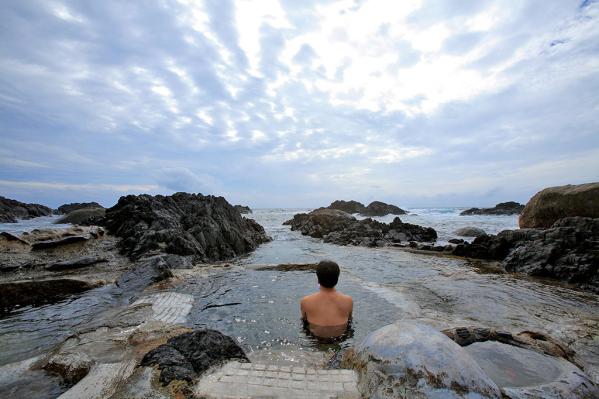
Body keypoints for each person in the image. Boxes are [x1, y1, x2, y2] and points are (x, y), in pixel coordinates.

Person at [300, 260, 353, 338]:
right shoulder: (348, 300)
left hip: (315, 338)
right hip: (340, 337)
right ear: (337, 278)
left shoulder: (306, 301)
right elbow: (350, 319)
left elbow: (304, 320)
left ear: (318, 278)